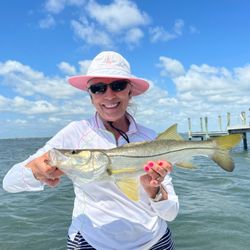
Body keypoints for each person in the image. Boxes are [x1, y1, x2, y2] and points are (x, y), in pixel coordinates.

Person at [3, 51, 179, 250]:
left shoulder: (152, 139)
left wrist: (154, 190)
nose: (109, 95)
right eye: (98, 88)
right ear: (90, 95)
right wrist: (35, 170)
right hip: (90, 242)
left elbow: (170, 213)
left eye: (118, 86)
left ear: (130, 91)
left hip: (155, 241)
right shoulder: (75, 133)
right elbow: (9, 183)